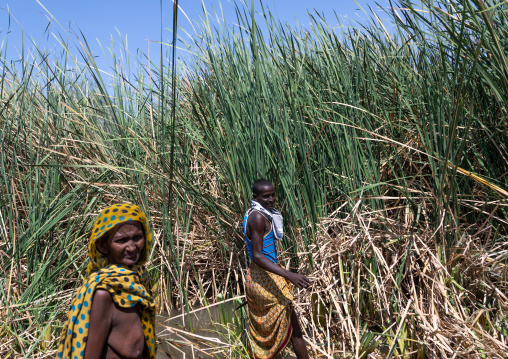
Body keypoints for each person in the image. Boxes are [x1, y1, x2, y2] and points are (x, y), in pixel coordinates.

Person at [57, 203, 157, 359]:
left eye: (137, 237)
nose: (131, 247)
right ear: (103, 245)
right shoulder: (104, 293)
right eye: (122, 240)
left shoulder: (138, 280)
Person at [243, 179, 311, 359]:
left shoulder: (257, 213)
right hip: (265, 280)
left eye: (273, 194)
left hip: (258, 278)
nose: (271, 199)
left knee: (275, 331)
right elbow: (257, 256)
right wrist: (289, 275)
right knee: (294, 329)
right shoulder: (257, 217)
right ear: (255, 197)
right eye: (266, 196)